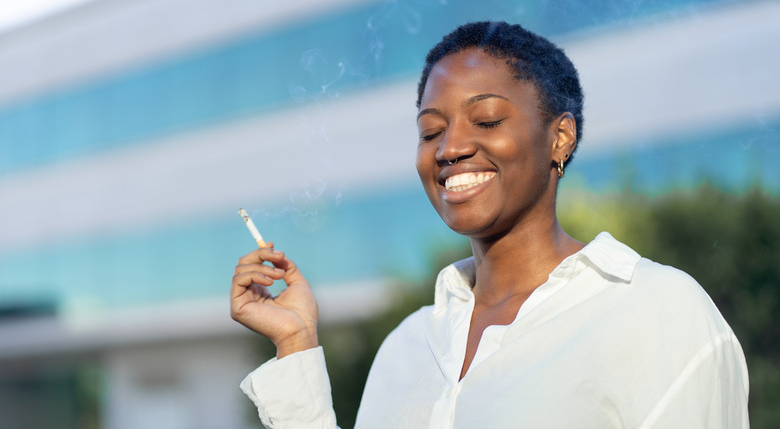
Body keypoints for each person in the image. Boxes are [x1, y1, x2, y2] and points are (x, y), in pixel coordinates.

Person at [230, 21, 749, 428]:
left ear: (560, 138)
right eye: (431, 131)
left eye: (487, 121)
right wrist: (297, 342)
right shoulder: (407, 346)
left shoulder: (655, 310)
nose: (450, 148)